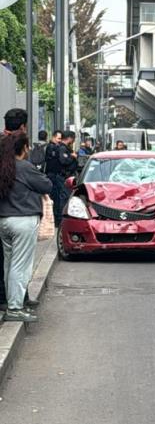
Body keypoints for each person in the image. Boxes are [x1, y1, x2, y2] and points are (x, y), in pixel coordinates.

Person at [0, 132, 51, 322]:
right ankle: (15, 308)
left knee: (9, 264)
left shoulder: (3, 166)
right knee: (20, 266)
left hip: (4, 220)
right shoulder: (24, 167)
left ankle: (12, 303)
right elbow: (46, 185)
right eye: (28, 146)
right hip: (23, 220)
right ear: (23, 148)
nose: (29, 149)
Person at [0, 109, 29, 313]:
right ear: (22, 126)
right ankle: (12, 300)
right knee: (15, 259)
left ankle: (16, 297)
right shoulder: (13, 145)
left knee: (8, 258)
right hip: (13, 209)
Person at [44, 130, 75, 227]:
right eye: (58, 138)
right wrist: (72, 157)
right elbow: (63, 161)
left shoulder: (60, 148)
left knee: (60, 197)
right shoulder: (57, 148)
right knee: (62, 197)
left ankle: (59, 219)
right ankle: (60, 219)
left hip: (58, 176)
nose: (59, 141)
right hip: (57, 176)